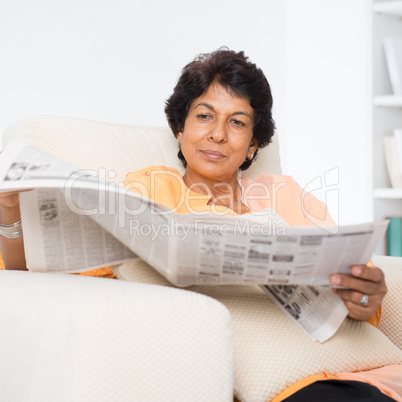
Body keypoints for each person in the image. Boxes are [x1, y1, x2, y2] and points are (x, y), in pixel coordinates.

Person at [0, 48, 400, 401]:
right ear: (180, 127)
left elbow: (354, 300)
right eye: (205, 115)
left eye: (238, 123)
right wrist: (8, 213)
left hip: (366, 367)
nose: (218, 135)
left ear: (254, 144)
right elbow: (37, 277)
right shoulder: (151, 189)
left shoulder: (286, 194)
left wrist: (365, 296)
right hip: (294, 381)